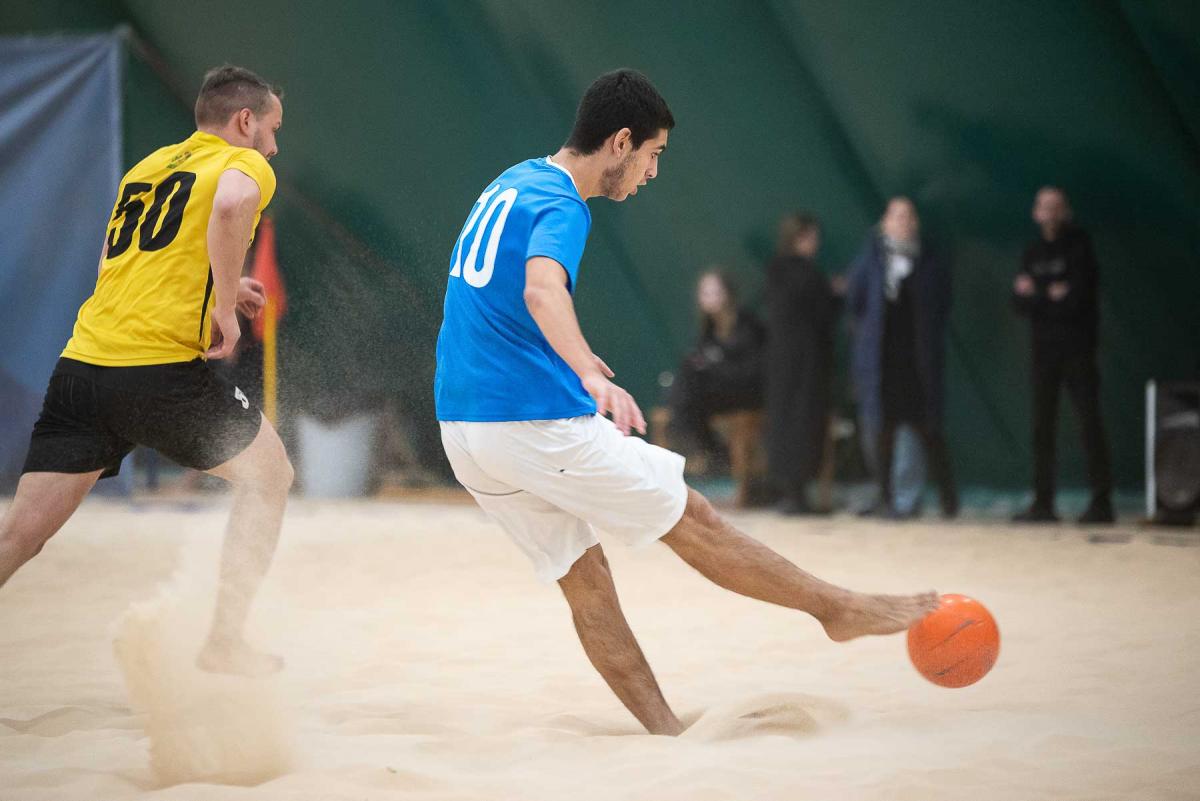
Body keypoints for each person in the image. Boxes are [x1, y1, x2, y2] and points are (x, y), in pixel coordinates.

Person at [434, 69, 938, 736]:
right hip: (526, 419)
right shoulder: (563, 204)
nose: (652, 172)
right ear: (620, 142)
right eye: (654, 154)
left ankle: (664, 730)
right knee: (694, 517)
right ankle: (838, 610)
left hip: (462, 427)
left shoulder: (513, 180)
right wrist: (588, 371)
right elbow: (540, 290)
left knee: (585, 576)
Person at [0, 66, 292, 677]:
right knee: (270, 477)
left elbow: (120, 261)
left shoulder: (149, 167)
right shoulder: (244, 165)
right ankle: (225, 642)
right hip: (157, 374)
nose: (272, 146)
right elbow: (232, 204)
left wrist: (220, 284)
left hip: (82, 367)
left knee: (19, 537)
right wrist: (223, 309)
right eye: (271, 129)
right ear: (245, 121)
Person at [847, 197, 958, 519]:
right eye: (896, 216)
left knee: (928, 431)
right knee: (882, 431)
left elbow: (942, 304)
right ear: (884, 223)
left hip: (918, 362)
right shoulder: (870, 262)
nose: (903, 222)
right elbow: (855, 303)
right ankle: (887, 499)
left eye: (908, 216)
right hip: (882, 363)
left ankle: (948, 499)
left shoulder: (930, 262)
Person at [1011, 187, 1113, 524]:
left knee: (1089, 422)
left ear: (1066, 211)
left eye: (1056, 206)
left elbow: (1076, 300)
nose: (1050, 212)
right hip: (1043, 353)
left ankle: (1102, 502)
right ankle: (1043, 504)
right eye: (1044, 206)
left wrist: (1037, 294)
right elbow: (1018, 303)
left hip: (1078, 350)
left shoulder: (1080, 246)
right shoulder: (1032, 251)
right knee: (1042, 427)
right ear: (1035, 213)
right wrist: (1049, 293)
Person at [764, 213, 842, 515]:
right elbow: (823, 315)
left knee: (784, 423)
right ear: (802, 237)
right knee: (804, 424)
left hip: (780, 362)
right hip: (808, 363)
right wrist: (835, 295)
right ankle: (797, 495)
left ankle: (789, 493)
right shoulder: (809, 274)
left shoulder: (775, 270)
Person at [666, 270, 765, 466]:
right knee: (688, 380)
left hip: (750, 392)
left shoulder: (748, 326)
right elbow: (702, 361)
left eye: (714, 292)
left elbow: (750, 372)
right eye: (704, 293)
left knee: (688, 389)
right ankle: (711, 449)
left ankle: (702, 446)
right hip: (718, 392)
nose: (708, 298)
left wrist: (713, 364)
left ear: (727, 294)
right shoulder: (708, 329)